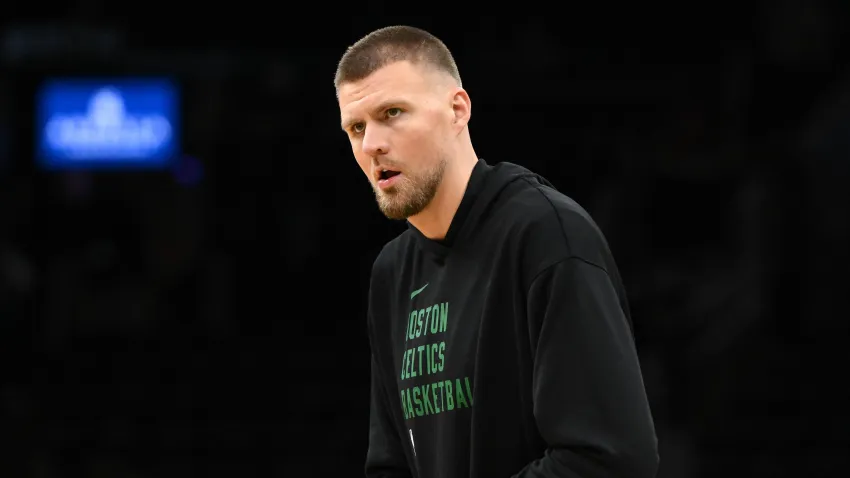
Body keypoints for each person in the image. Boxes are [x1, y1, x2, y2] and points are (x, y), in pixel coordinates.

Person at [335, 25, 659, 478]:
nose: (372, 145)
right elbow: (390, 464)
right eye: (356, 127)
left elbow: (608, 458)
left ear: (457, 110)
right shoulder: (392, 272)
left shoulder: (547, 235)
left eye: (392, 112)